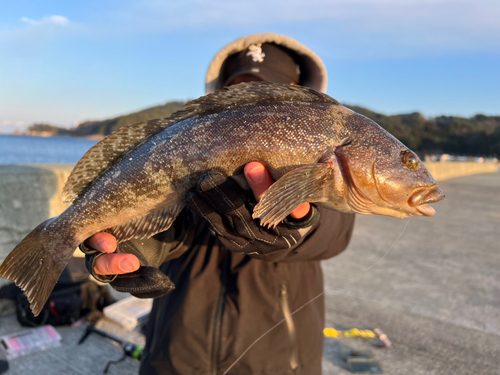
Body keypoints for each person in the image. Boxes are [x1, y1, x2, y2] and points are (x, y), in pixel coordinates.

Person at [81, 33, 355, 375]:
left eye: (269, 92)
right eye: (236, 91)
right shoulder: (189, 144)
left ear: (298, 95)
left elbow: (337, 232)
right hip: (175, 354)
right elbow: (172, 218)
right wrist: (134, 244)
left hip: (280, 363)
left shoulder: (324, 151)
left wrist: (300, 222)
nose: (251, 102)